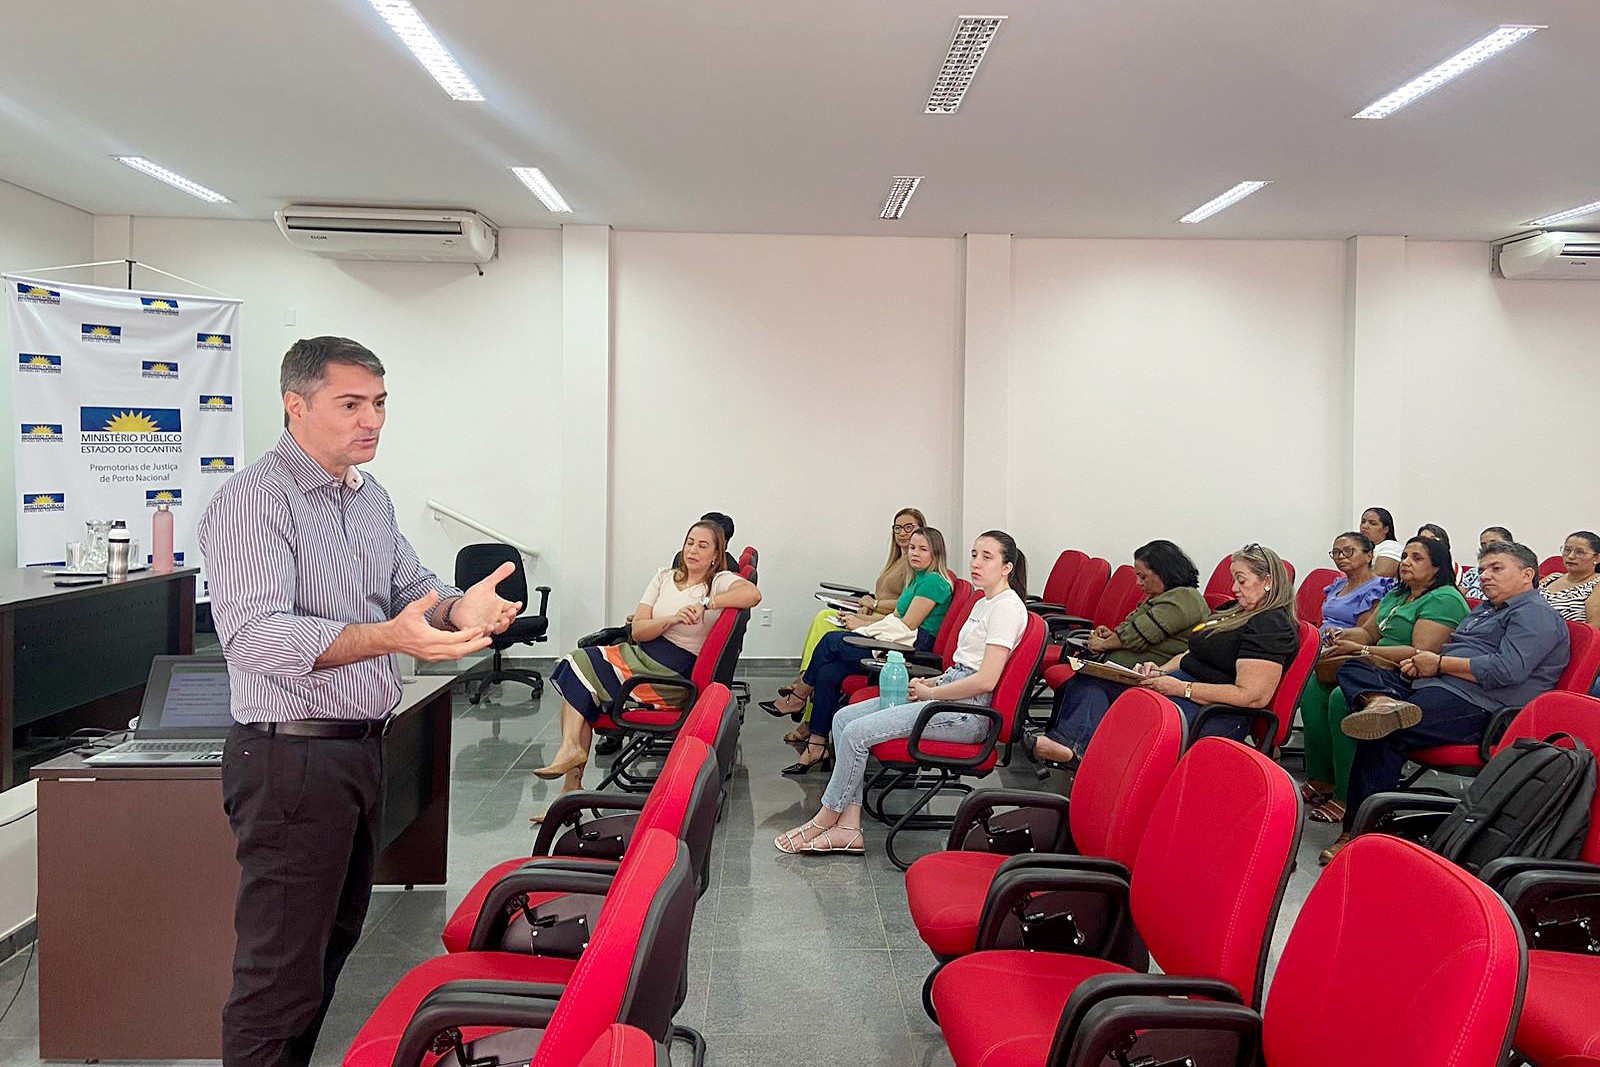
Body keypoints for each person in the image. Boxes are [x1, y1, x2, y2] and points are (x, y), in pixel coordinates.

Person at [198, 337, 523, 1067]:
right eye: (350, 404)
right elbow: (255, 635)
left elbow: (414, 589)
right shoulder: (254, 501)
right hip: (290, 755)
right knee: (277, 977)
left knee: (326, 953)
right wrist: (389, 636)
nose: (370, 419)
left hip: (357, 748)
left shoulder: (367, 496)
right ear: (296, 404)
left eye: (378, 403)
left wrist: (457, 608)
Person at [773, 531, 1030, 855]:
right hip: (949, 692)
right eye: (975, 554)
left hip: (966, 712)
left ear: (1007, 567)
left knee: (855, 733)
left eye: (987, 557)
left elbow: (986, 681)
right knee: (842, 719)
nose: (976, 562)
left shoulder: (1007, 608)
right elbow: (967, 666)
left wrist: (932, 693)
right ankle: (849, 828)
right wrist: (933, 684)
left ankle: (825, 819)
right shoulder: (985, 602)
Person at [1328, 541, 1571, 865]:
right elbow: (1456, 652)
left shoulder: (1535, 614)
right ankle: (1381, 702)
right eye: (1482, 569)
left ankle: (1360, 835)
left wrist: (1438, 664)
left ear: (1527, 575)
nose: (1484, 576)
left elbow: (1505, 671)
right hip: (1437, 686)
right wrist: (1426, 664)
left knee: (1387, 731)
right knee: (1355, 665)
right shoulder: (1486, 609)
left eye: (1496, 569)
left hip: (1482, 706)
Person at [539, 519, 762, 801]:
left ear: (716, 555)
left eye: (702, 546)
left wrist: (707, 604)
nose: (692, 550)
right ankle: (571, 764)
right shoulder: (664, 577)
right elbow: (638, 630)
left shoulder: (717, 581)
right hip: (640, 657)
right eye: (689, 543)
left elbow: (752, 594)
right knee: (578, 671)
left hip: (666, 678)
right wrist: (672, 618)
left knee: (579, 669)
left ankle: (571, 779)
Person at [1031, 544, 1299, 766]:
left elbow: (1252, 696)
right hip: (1182, 687)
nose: (1234, 588)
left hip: (1212, 710)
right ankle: (1073, 749)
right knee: (1091, 681)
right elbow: (1189, 653)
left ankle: (1093, 764)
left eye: (1241, 580)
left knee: (1135, 711)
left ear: (1267, 581)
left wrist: (1183, 688)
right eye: (1234, 580)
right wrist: (1162, 670)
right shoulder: (1234, 610)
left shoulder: (1270, 625)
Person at [1298, 536, 1468, 825]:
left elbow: (1420, 652)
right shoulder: (1398, 595)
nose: (1405, 563)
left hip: (1405, 673)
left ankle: (1347, 794)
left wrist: (1363, 650)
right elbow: (1368, 632)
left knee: (1342, 698)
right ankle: (1322, 777)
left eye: (1417, 558)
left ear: (1437, 567)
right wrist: (1342, 636)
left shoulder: (1445, 599)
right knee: (1314, 687)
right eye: (1404, 556)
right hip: (1373, 663)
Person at [770, 527, 955, 774]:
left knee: (830, 642)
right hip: (897, 639)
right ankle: (816, 746)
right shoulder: (917, 578)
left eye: (923, 549)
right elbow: (896, 617)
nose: (915, 553)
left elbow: (908, 625)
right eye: (912, 548)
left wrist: (864, 625)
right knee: (828, 672)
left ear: (936, 553)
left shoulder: (934, 581)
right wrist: (860, 621)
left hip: (909, 649)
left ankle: (799, 697)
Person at [767, 507, 927, 743]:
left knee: (828, 638)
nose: (903, 533)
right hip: (881, 621)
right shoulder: (897, 560)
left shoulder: (916, 568)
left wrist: (872, 607)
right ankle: (806, 698)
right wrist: (869, 606)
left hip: (892, 636)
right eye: (897, 528)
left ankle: (802, 692)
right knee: (824, 623)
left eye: (909, 528)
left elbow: (902, 610)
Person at [1073, 540, 1209, 669]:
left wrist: (1103, 645)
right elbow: (1131, 629)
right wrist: (1111, 636)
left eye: (1143, 577)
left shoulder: (1184, 598)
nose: (1138, 582)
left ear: (1164, 573)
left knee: (1082, 685)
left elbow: (1137, 635)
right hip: (1120, 672)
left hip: (1147, 678)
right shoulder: (1163, 595)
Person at [1316, 531, 1392, 635]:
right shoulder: (1338, 585)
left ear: (1369, 556)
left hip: (1345, 644)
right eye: (1335, 552)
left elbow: (1365, 633)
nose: (1340, 556)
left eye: (1348, 551)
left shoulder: (1378, 589)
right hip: (1321, 639)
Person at [1538, 531, 1600, 624]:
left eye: (1580, 552)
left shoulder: (1596, 584)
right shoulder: (1552, 577)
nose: (1571, 556)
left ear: (1597, 558)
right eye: (1567, 550)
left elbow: (1594, 628)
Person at [1459, 526, 1514, 601]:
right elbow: (1458, 597)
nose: (1488, 547)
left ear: (1510, 545)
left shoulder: (1515, 572)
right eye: (1483, 545)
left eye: (1494, 543)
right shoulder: (1473, 573)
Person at [1360, 507, 1402, 578]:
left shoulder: (1391, 546)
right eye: (1363, 522)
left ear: (1385, 529)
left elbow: (1379, 576)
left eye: (1372, 523)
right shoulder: (1360, 549)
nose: (1364, 526)